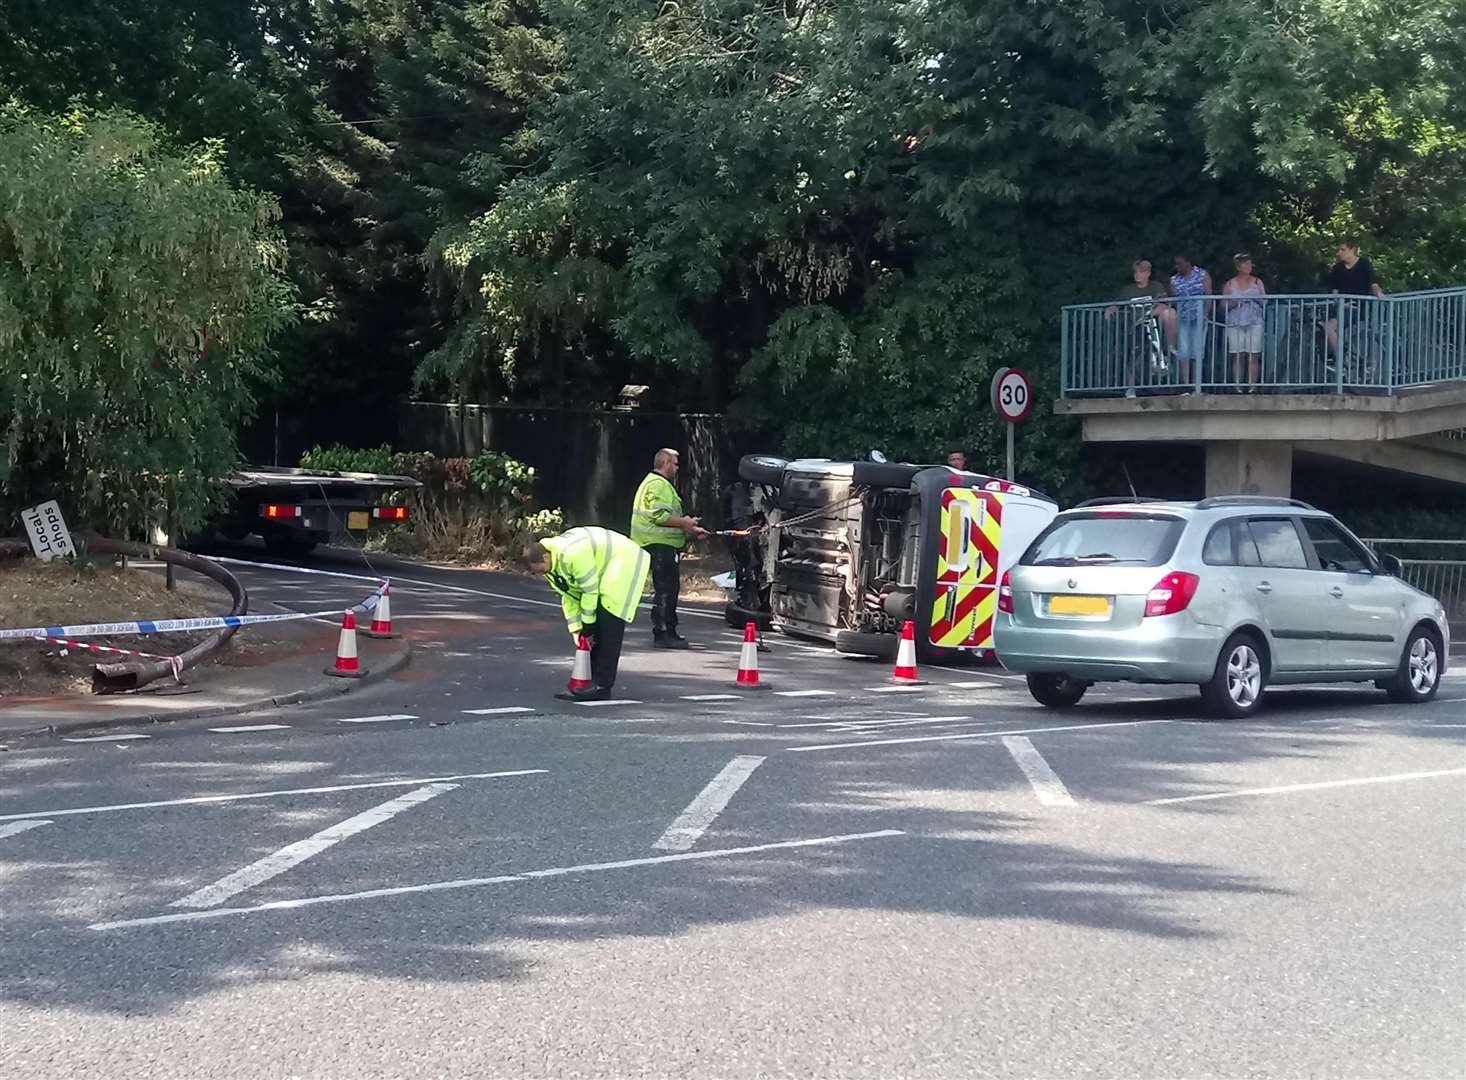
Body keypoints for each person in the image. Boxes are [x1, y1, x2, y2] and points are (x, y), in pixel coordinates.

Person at [529, 526, 651, 702]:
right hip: (606, 565)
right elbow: (569, 596)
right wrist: (577, 629)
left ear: (546, 557)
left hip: (624, 559)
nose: (540, 574)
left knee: (609, 617)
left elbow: (590, 590)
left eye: (540, 570)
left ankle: (602, 685)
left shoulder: (571, 554)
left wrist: (588, 624)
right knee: (595, 629)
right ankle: (588, 681)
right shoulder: (551, 565)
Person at [630, 448, 709, 649]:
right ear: (665, 464)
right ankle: (665, 632)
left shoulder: (656, 483)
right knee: (667, 589)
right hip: (659, 545)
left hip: (657, 543)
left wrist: (689, 528)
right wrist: (685, 523)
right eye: (675, 464)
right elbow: (658, 516)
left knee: (665, 588)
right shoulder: (658, 485)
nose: (677, 468)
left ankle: (665, 630)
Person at [1104, 259, 1178, 397]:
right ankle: (1131, 388)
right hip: (1136, 326)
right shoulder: (1128, 290)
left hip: (1153, 325)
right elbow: (1117, 304)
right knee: (1130, 354)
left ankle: (1171, 345)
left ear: (1148, 273)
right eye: (1135, 272)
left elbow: (1163, 304)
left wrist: (1150, 315)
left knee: (1170, 313)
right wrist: (1110, 309)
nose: (1137, 275)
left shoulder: (1155, 286)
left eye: (1141, 272)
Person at [1325, 238, 1385, 360]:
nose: (1339, 253)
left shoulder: (1364, 264)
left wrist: (1379, 293)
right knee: (1320, 326)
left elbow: (1373, 284)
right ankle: (1332, 354)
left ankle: (1339, 359)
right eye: (1339, 250)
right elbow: (1334, 291)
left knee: (1329, 327)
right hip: (1342, 306)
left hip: (1358, 308)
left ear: (1352, 250)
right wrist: (1336, 303)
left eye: (1343, 250)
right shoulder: (1337, 268)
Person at [1223, 253, 1267, 391]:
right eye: (1245, 263)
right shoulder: (1230, 284)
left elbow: (1265, 301)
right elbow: (1222, 305)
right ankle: (1237, 386)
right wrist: (1233, 303)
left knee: (1253, 354)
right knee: (1237, 354)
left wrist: (1256, 299)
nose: (1248, 266)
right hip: (1235, 321)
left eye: (1249, 263)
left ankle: (1252, 386)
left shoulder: (1257, 282)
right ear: (1238, 266)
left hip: (1254, 321)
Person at [1170, 255, 1213, 391]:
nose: (1177, 267)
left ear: (1188, 262)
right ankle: (1186, 384)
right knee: (1184, 351)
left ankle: (1196, 384)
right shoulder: (1174, 280)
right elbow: (1175, 301)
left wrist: (1206, 314)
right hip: (1183, 318)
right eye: (1175, 264)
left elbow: (1209, 294)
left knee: (1197, 351)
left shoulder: (1202, 274)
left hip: (1199, 317)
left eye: (1179, 264)